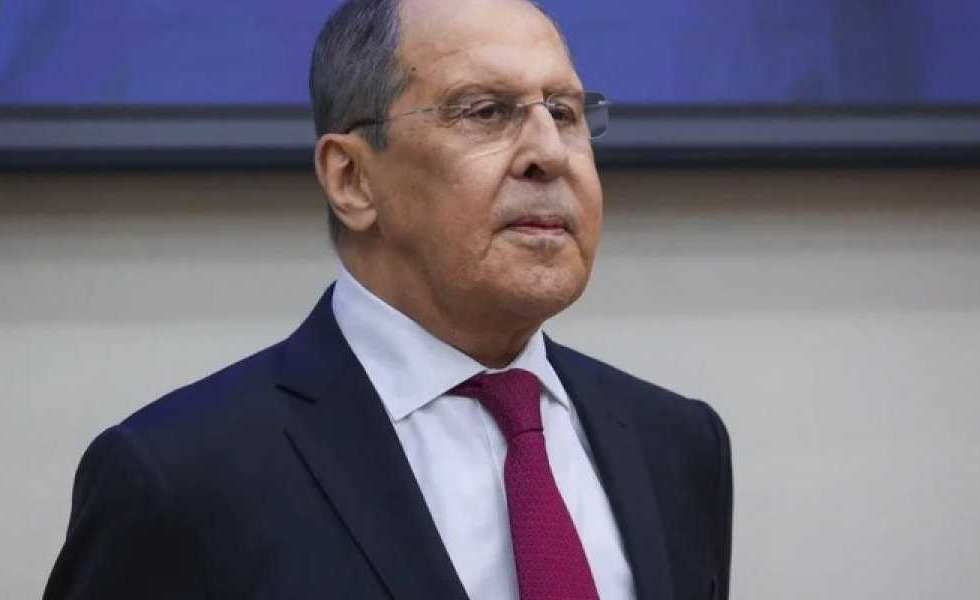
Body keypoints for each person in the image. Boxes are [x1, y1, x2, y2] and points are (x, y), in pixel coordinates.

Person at [42, 0, 732, 598]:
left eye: (565, 112)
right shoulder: (177, 476)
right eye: (486, 112)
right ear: (351, 179)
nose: (549, 154)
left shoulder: (677, 444)